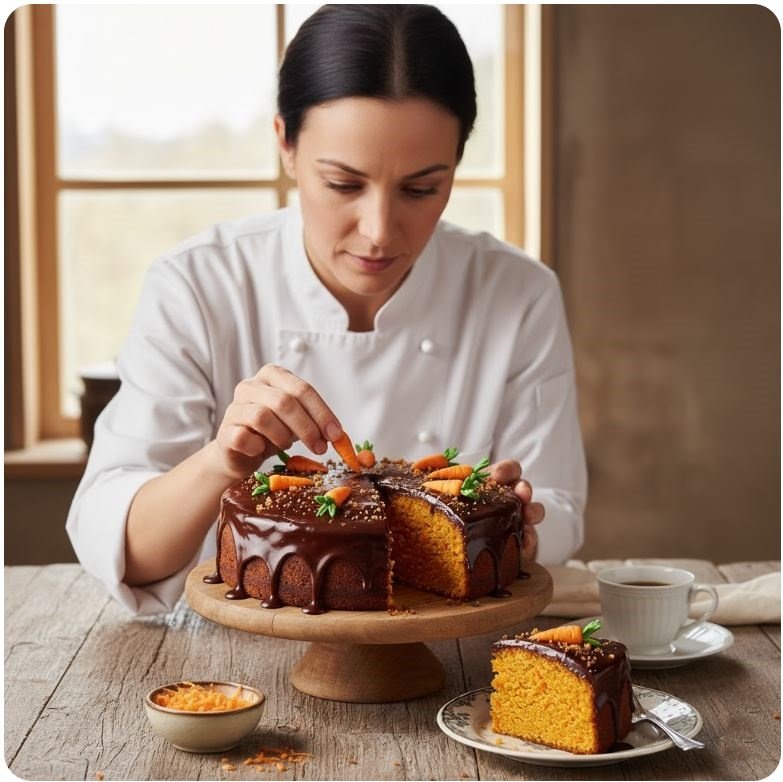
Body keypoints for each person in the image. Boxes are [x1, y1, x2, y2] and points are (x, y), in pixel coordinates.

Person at [66, 4, 587, 615]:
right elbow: (125, 546)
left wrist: (517, 525)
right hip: (240, 653)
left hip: (454, 654)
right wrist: (220, 460)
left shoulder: (517, 293)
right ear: (286, 143)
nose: (379, 232)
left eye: (421, 189)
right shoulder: (198, 284)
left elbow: (557, 509)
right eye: (343, 184)